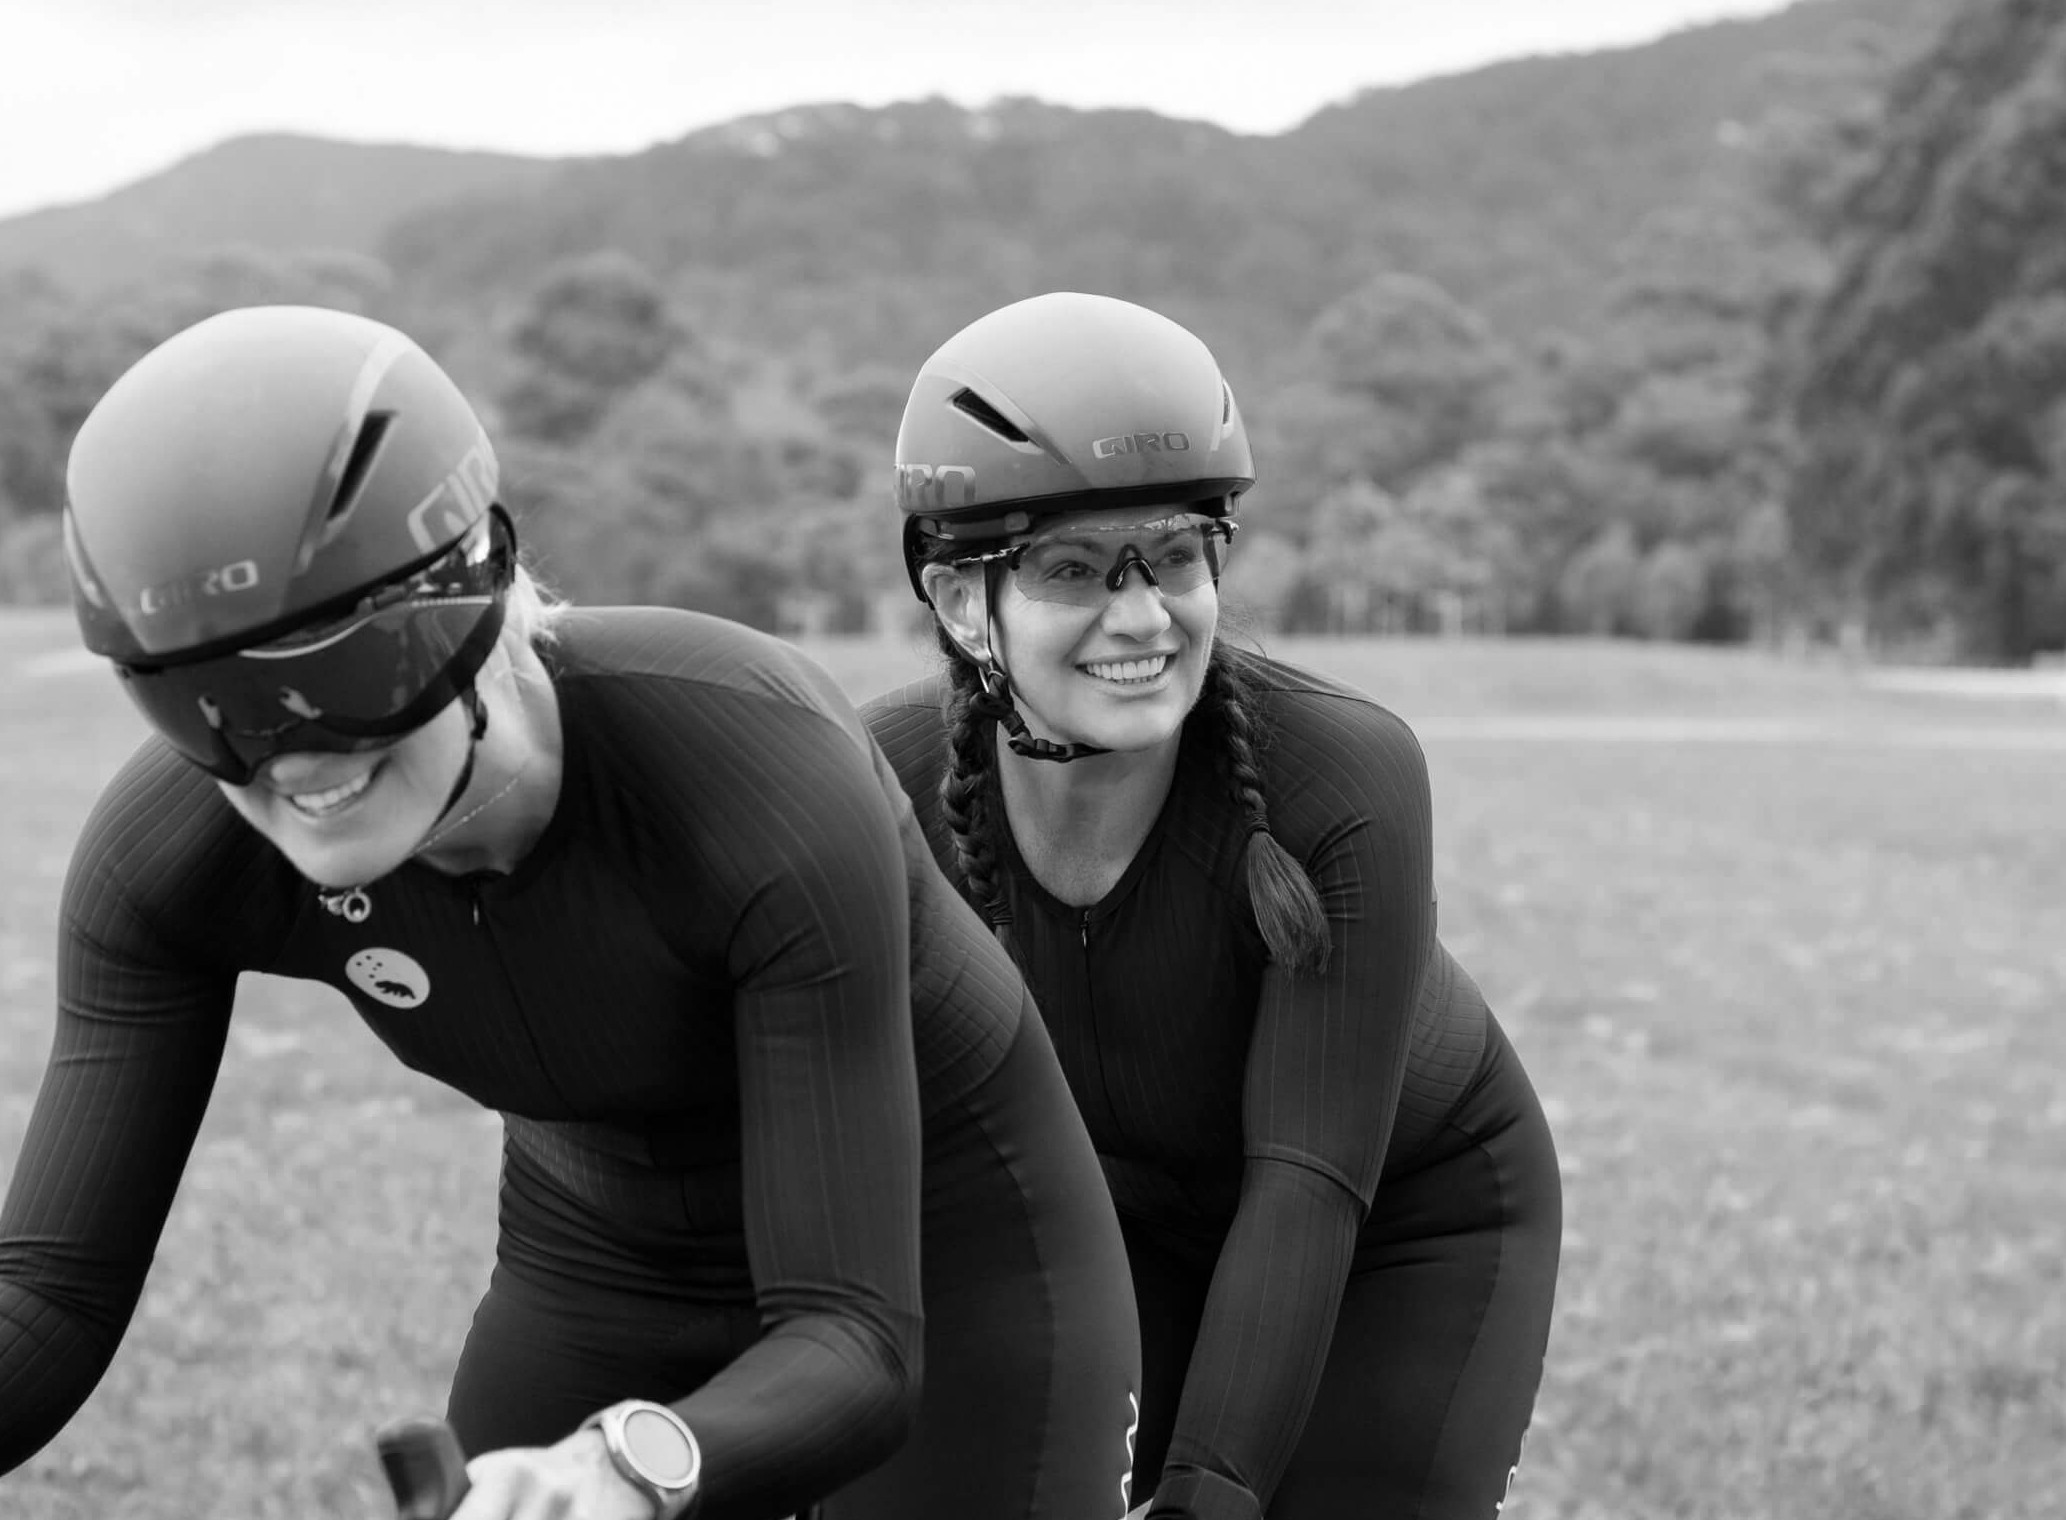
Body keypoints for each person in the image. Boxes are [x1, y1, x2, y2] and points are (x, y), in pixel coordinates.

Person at [0, 305, 1142, 1520]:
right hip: (597, 1255)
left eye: (339, 672)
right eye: (199, 701)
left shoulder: (748, 765)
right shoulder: (176, 851)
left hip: (943, 1239)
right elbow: (51, 1294)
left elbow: (851, 1336)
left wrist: (625, 1466)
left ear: (481, 580)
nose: (287, 757)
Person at [864, 292, 1563, 1520]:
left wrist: (1206, 1492)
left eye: (1175, 555)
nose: (1140, 616)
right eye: (1073, 567)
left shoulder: (1339, 771)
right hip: (1124, 1224)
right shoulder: (880, 790)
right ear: (962, 599)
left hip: (1397, 1218)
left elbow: (1303, 1183)